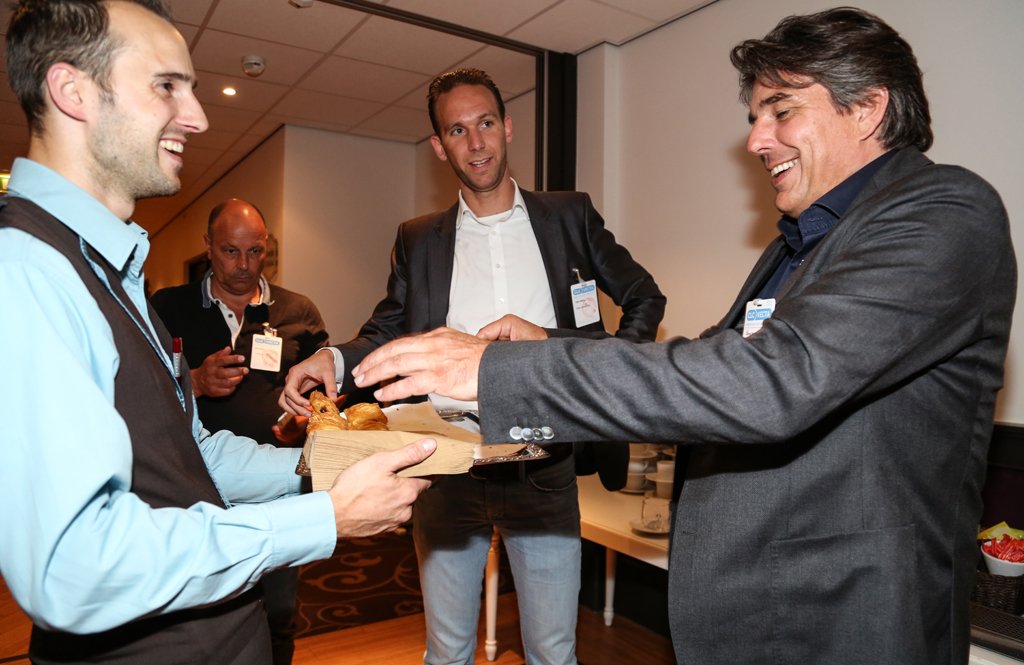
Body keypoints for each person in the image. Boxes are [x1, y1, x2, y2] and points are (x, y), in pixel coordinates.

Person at [348, 8, 1017, 665]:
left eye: (781, 111)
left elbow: (768, 383)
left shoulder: (943, 213)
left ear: (868, 107)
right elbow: (715, 365)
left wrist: (497, 368)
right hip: (766, 614)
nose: (756, 140)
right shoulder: (800, 243)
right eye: (755, 117)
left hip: (846, 620)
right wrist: (546, 347)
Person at [0, 2, 433, 664]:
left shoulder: (108, 269)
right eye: (166, 85)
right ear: (72, 91)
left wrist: (324, 466)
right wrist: (324, 517)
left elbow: (191, 456)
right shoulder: (25, 272)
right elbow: (74, 570)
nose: (197, 117)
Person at [279, 68, 665, 665]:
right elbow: (386, 329)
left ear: (507, 127)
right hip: (446, 467)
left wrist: (601, 368)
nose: (476, 142)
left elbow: (644, 298)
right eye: (457, 130)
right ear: (440, 147)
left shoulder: (569, 216)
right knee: (447, 651)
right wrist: (329, 358)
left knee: (553, 652)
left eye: (485, 123)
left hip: (544, 466)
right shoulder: (418, 239)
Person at [151, 198, 329, 665]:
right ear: (208, 247)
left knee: (278, 613)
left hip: (277, 489)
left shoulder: (298, 311)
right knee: (200, 617)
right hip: (193, 487)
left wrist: (306, 419)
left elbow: (323, 395)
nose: (244, 266)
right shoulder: (167, 307)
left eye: (255, 252)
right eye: (231, 251)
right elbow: (141, 391)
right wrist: (194, 381)